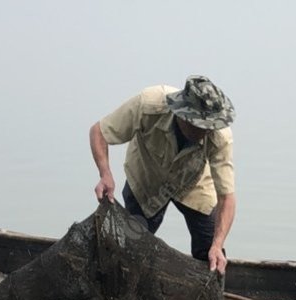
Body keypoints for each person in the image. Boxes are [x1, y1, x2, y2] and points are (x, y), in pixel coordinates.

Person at [89, 75, 236, 274]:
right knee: (132, 246)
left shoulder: (219, 135)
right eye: (199, 124)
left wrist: (218, 245)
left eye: (209, 126)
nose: (204, 131)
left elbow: (226, 197)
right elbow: (99, 132)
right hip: (147, 181)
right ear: (182, 114)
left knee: (210, 251)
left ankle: (208, 293)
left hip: (194, 183)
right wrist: (105, 174)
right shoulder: (148, 105)